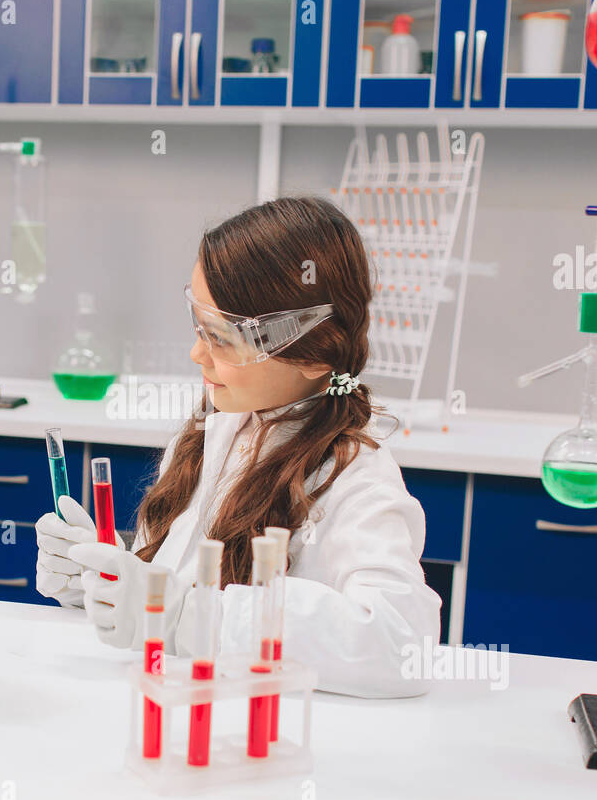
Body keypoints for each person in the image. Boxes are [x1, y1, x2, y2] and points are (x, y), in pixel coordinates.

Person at [34, 196, 440, 697]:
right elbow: (176, 581)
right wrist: (108, 578)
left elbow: (401, 644)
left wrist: (183, 616)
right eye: (198, 325)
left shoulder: (355, 474)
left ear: (316, 353)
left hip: (261, 741)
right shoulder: (221, 423)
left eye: (221, 338)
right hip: (165, 711)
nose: (196, 353)